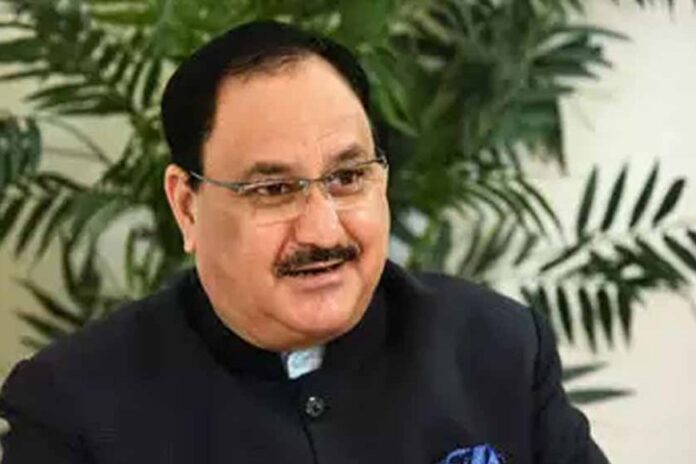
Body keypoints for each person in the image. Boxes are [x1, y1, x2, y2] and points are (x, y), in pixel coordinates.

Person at [0, 21, 609, 464]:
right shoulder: (73, 409)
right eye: (272, 189)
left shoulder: (499, 348)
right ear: (187, 205)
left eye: (347, 178)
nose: (322, 231)